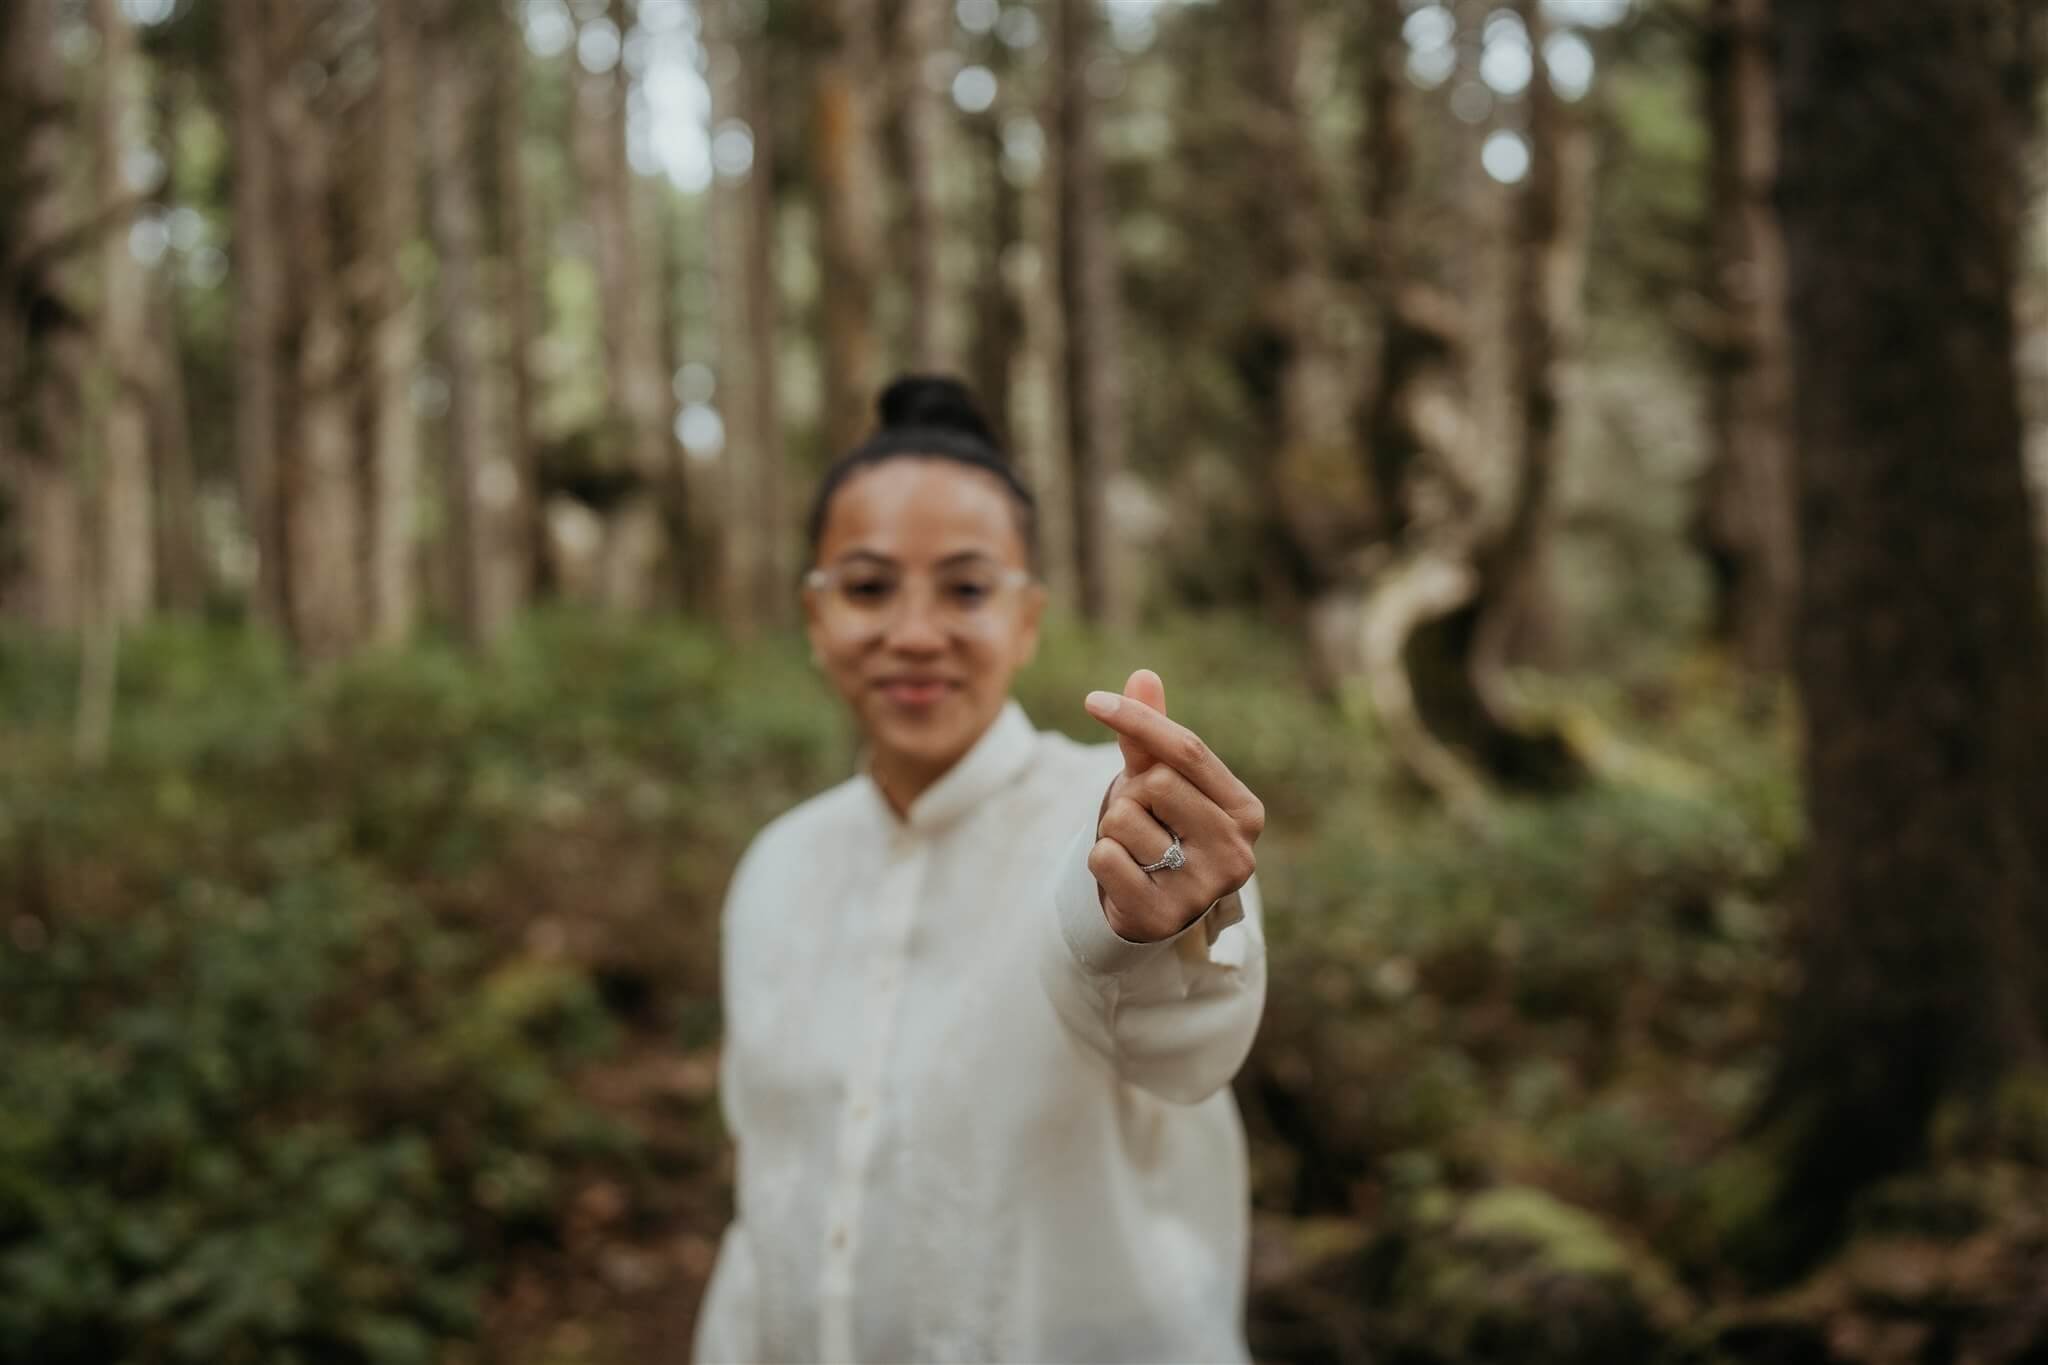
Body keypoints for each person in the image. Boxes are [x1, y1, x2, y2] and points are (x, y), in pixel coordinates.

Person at [693, 376, 1270, 1363]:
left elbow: (1180, 1045)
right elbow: (771, 1200)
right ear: (814, 615)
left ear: (1028, 617)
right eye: (869, 587)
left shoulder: (1119, 820)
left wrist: (1139, 923)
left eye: (964, 588)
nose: (913, 633)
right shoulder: (776, 868)